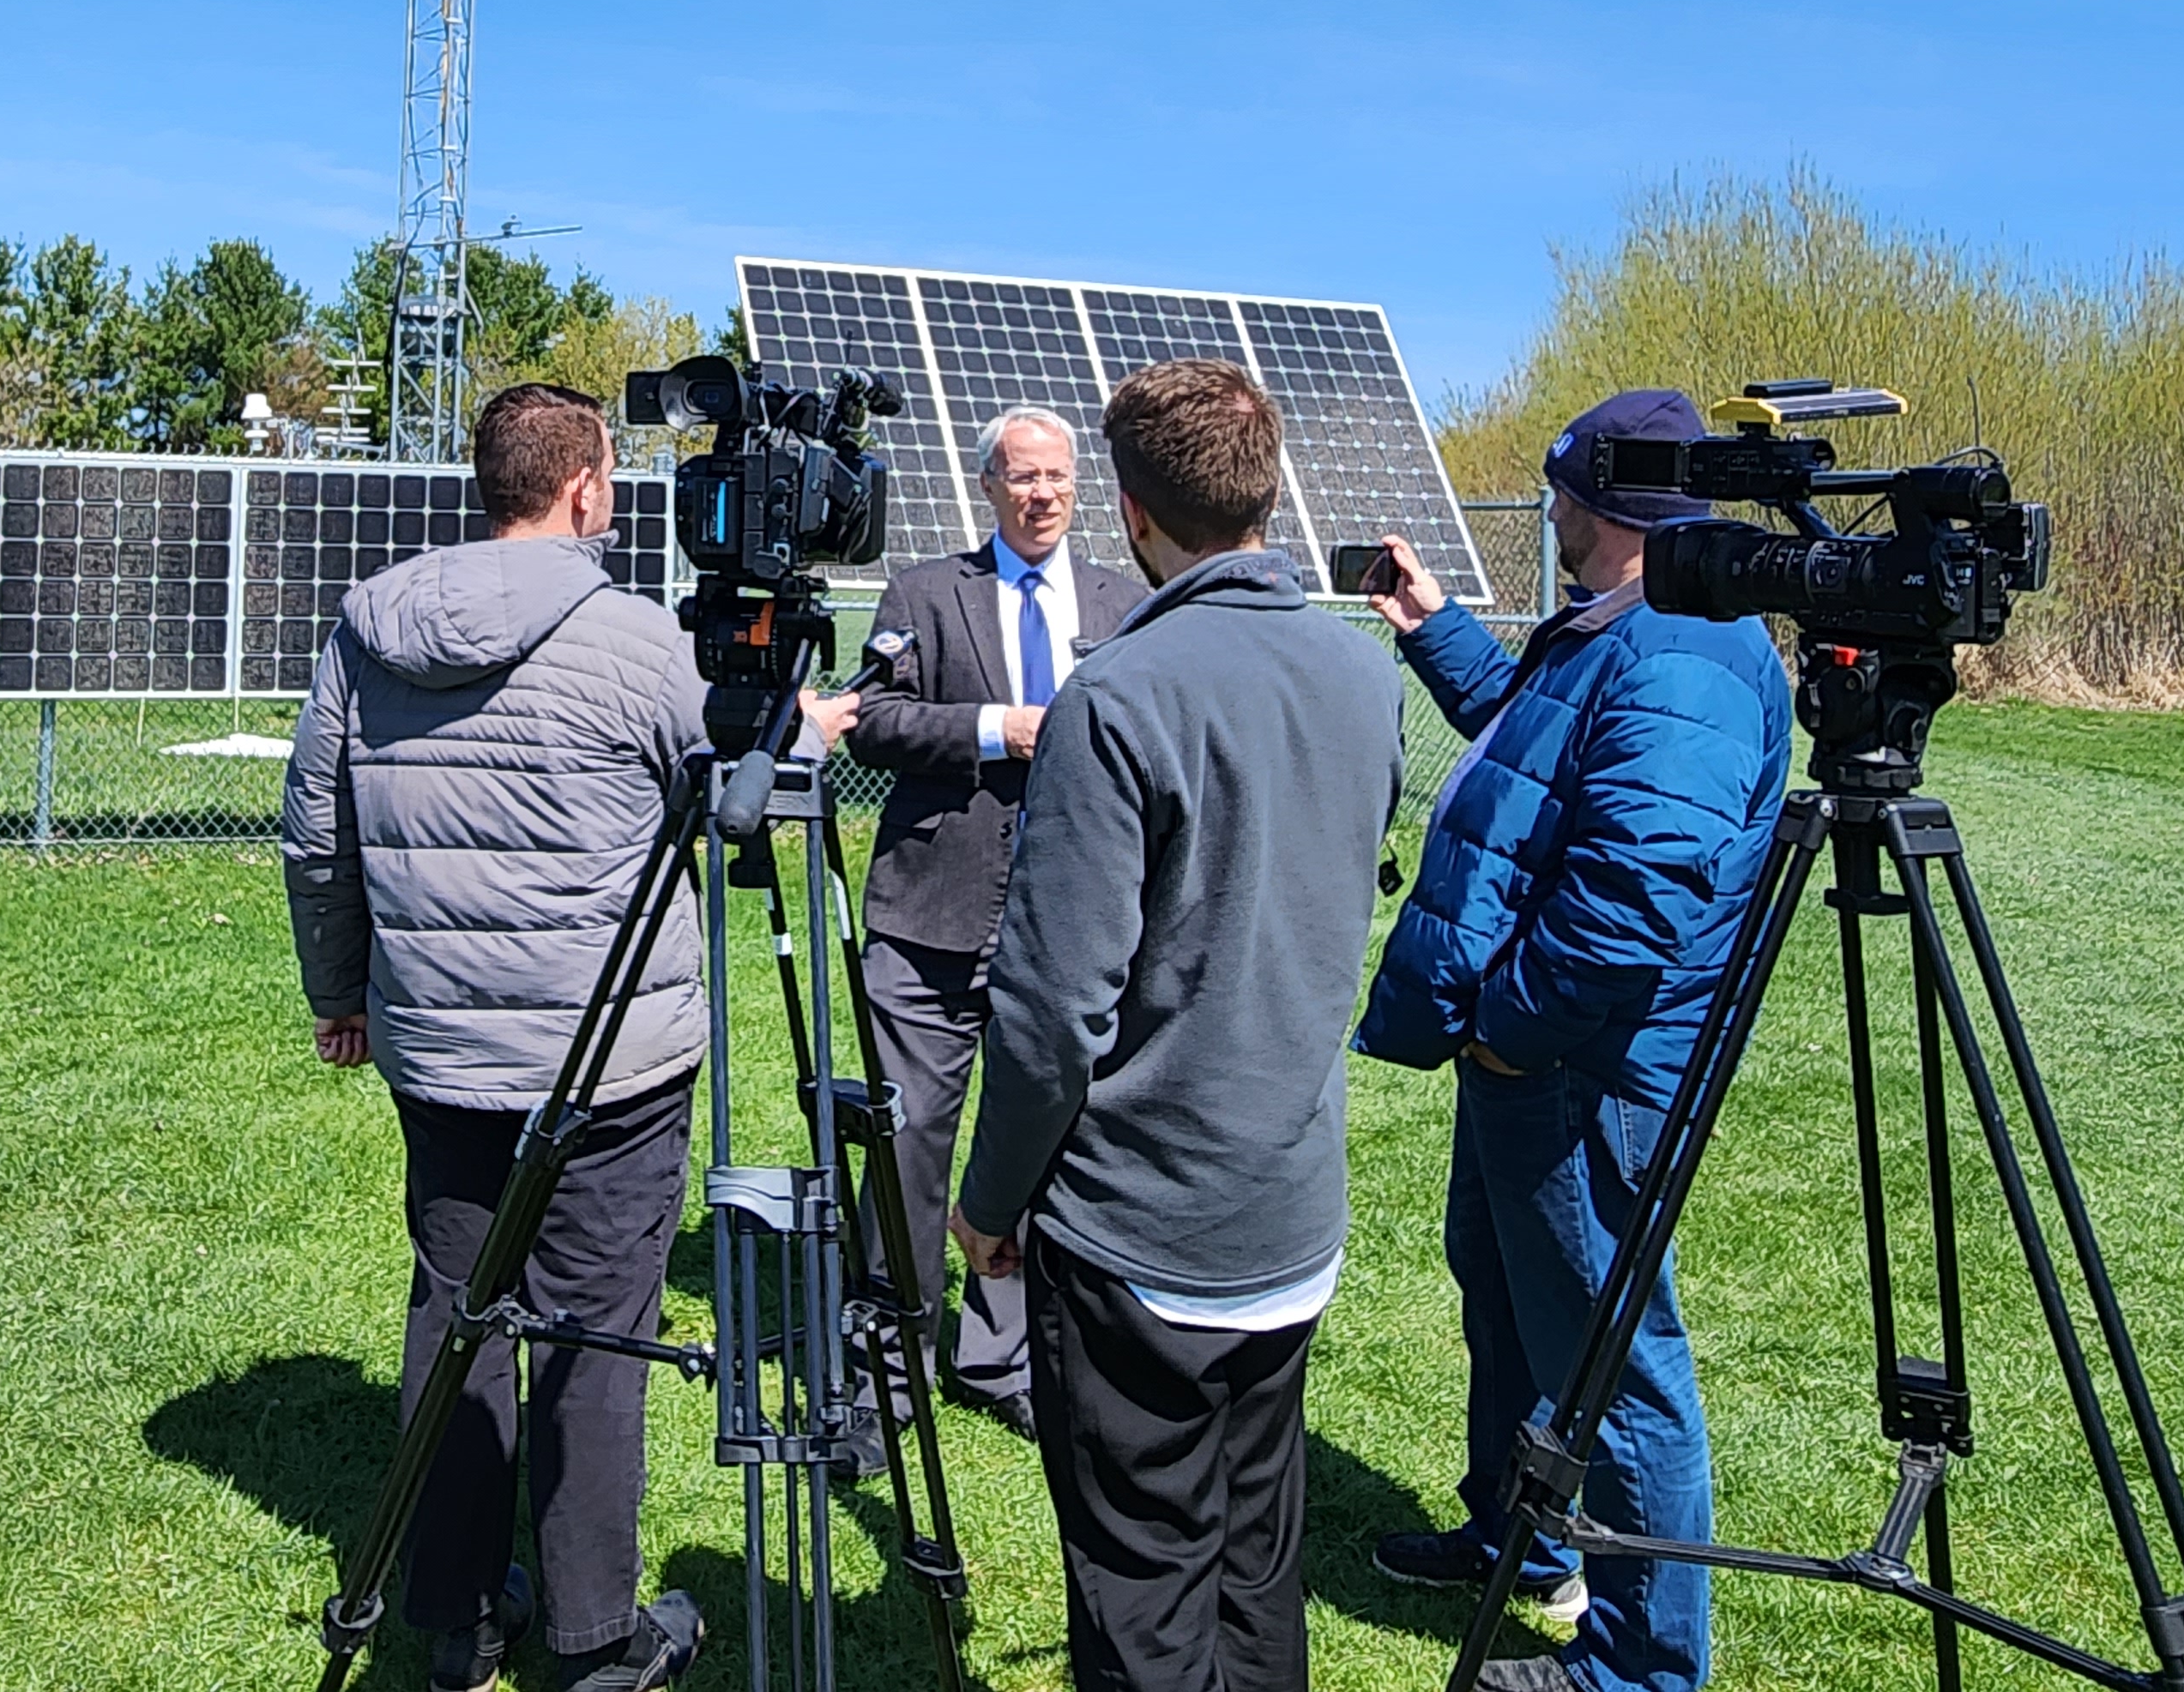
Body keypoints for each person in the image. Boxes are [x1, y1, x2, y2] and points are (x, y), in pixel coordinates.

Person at [281, 382, 859, 1692]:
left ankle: (457, 1621)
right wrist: (794, 739)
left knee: (460, 1314)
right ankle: (597, 1635)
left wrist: (343, 993)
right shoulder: (632, 634)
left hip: (440, 1054)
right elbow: (727, 816)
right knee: (600, 1331)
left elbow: (319, 832)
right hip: (616, 1067)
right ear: (588, 488)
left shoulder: (367, 630)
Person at [950, 358, 1404, 1692]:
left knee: (1146, 1595)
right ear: (1269, 495)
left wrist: (986, 1206)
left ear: (1134, 518)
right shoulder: (1365, 676)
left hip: (1142, 1236)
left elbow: (1049, 1017)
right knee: (1256, 1568)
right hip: (1288, 1218)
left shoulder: (1119, 696)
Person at [1350, 388, 1793, 1692]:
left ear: (1599, 499)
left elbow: (1638, 881)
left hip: (1588, 1070)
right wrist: (1434, 629)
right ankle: (1521, 1540)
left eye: (1557, 486)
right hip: (1536, 1062)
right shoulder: (1619, 627)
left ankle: (1640, 1668)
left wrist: (1511, 1028)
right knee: (1510, 1299)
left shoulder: (1692, 651)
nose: (1545, 506)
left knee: (1614, 1359)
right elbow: (1531, 744)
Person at [841, 404, 1148, 1441]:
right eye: (1022, 477)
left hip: (1071, 927)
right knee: (908, 1142)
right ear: (988, 486)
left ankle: (999, 1356)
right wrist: (993, 728)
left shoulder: (1125, 604)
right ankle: (886, 1377)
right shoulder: (927, 595)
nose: (1042, 494)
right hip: (930, 920)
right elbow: (870, 719)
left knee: (1044, 1145)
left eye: (1057, 477)